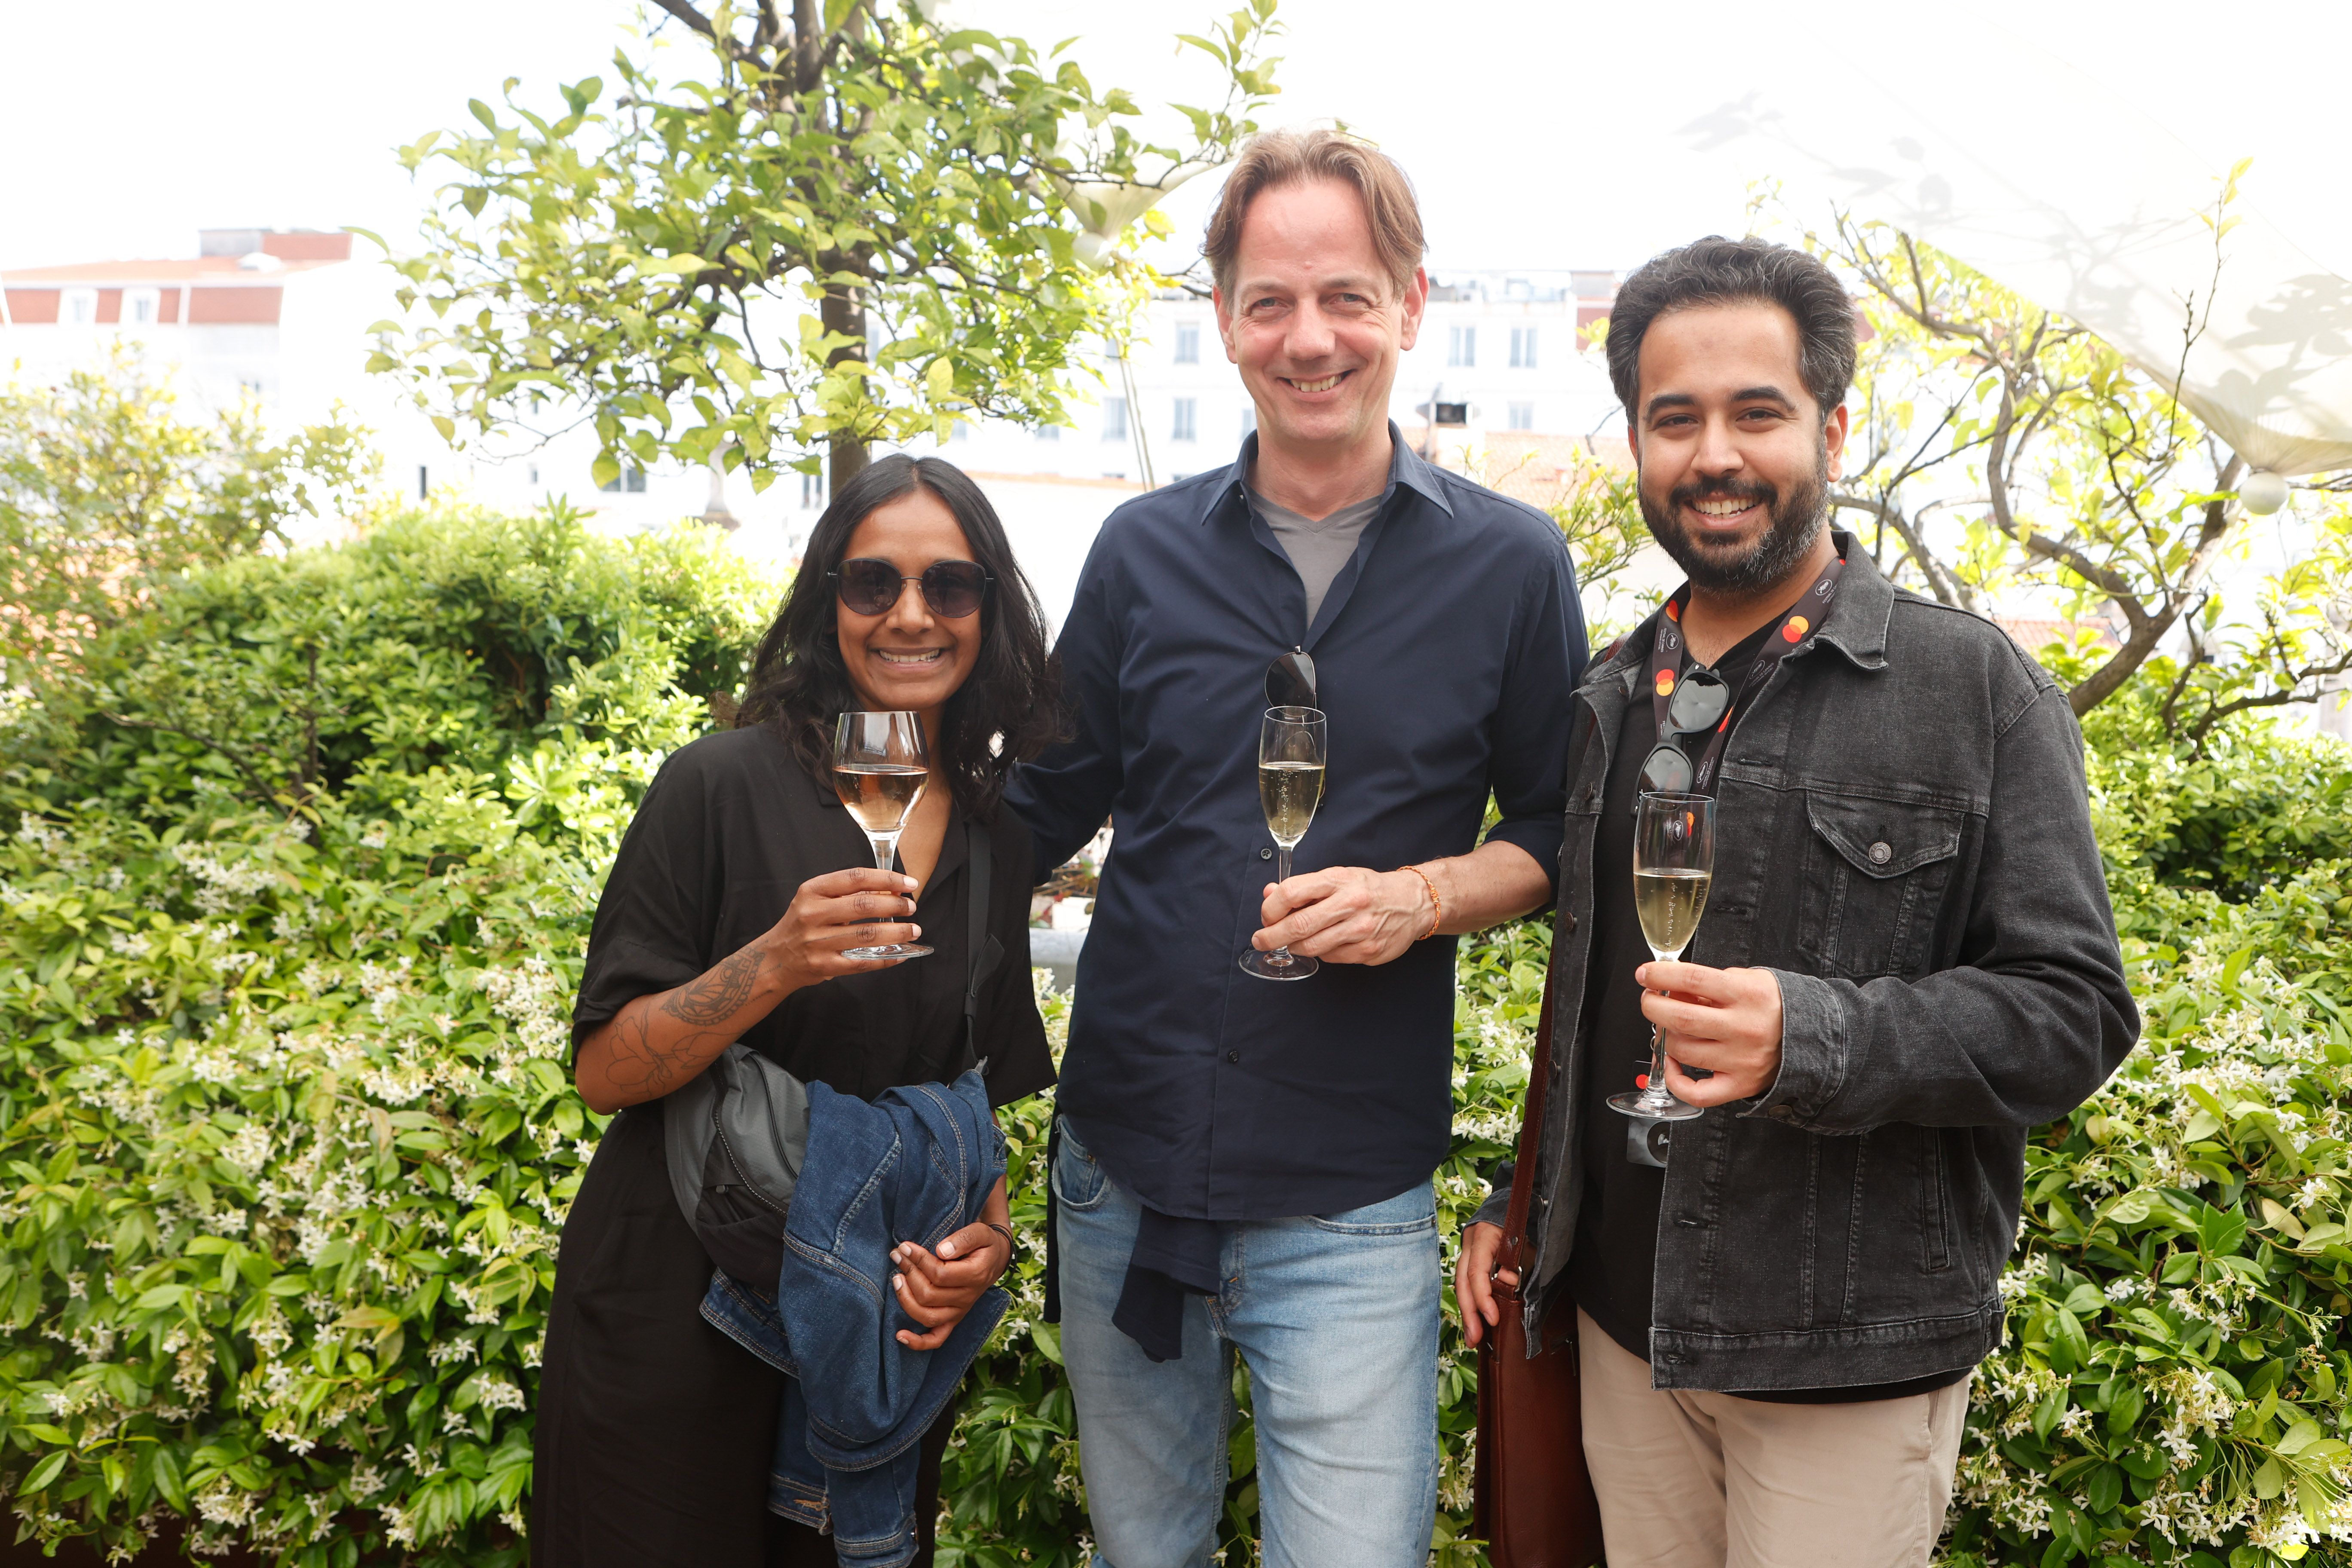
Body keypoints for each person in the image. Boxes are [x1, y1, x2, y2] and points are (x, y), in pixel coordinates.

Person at [1455, 236, 2141, 1568]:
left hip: (1842, 1357)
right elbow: (1590, 1009)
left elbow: (2075, 1017)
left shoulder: (1974, 690)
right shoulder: (1608, 694)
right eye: (1675, 419)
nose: (1715, 453)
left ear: (1830, 425)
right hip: (1619, 1330)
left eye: (1756, 412)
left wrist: (1812, 1036)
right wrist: (1520, 1198)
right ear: (1639, 445)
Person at [1006, 127, 1586, 1568]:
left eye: (1345, 296)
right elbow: (1036, 805)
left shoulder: (1514, 565)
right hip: (1122, 1166)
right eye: (1269, 301)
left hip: (1349, 1189)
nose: (1308, 337)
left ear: (1409, 303)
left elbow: (1566, 835)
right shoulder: (1141, 552)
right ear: (1223, 319)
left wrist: (1423, 896)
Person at [533, 455, 1063, 1568]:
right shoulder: (715, 787)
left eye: (948, 587)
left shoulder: (994, 838)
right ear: (829, 602)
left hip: (866, 1328)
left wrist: (990, 1246)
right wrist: (770, 963)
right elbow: (605, 1072)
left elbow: (970, 1101)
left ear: (988, 612)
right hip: (676, 1316)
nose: (910, 614)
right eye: (873, 583)